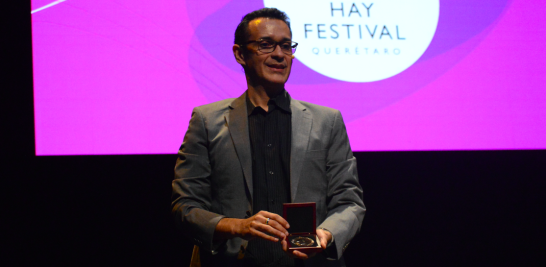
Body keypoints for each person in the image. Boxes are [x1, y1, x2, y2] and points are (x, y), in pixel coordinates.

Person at [172, 8, 365, 267]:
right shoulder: (207, 121)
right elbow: (185, 206)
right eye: (266, 45)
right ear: (240, 53)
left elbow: (349, 201)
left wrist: (326, 235)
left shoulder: (327, 121)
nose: (279, 54)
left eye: (286, 46)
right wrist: (237, 226)